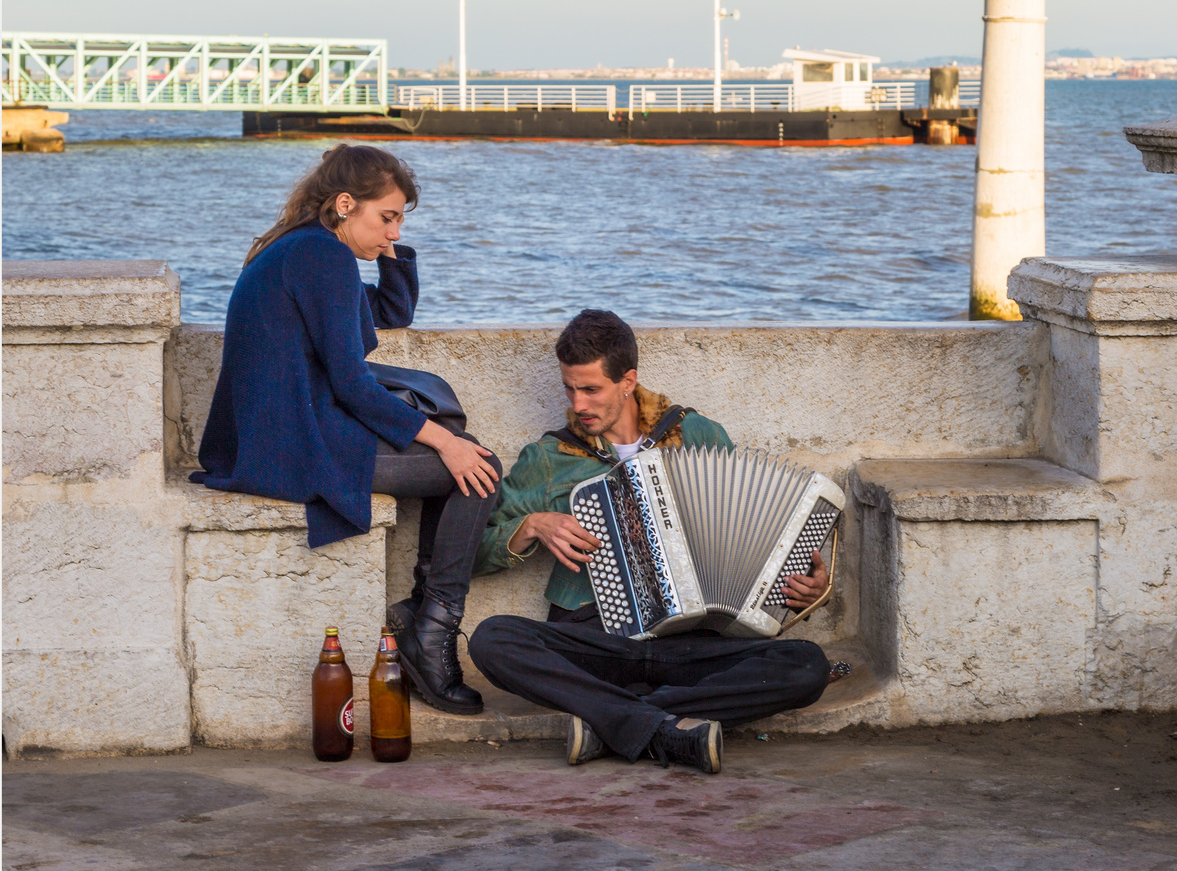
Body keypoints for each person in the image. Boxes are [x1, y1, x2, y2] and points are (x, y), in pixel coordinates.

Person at [191, 143, 502, 716]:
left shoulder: (302, 248)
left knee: (465, 458)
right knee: (479, 469)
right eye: (387, 216)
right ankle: (429, 630)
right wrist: (445, 442)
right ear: (343, 203)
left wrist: (389, 245)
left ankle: (424, 620)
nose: (393, 230)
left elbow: (390, 311)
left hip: (278, 433)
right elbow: (353, 385)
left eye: (402, 218)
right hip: (295, 443)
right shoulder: (320, 257)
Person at [468, 309, 832, 774]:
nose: (578, 404)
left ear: (628, 381)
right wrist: (533, 525)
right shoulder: (549, 456)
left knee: (806, 665)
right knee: (493, 638)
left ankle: (612, 719)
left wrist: (808, 587)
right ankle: (669, 726)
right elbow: (476, 552)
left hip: (693, 643)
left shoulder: (697, 434)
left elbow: (752, 542)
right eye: (569, 388)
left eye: (591, 389)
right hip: (597, 640)